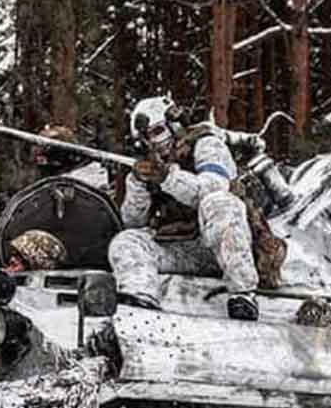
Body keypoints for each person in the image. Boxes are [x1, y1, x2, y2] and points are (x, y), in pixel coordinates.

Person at [106, 95, 262, 321]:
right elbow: (133, 222)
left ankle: (243, 294)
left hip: (226, 247)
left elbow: (214, 187)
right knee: (126, 240)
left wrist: (168, 178)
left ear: (175, 125)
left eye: (157, 132)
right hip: (185, 249)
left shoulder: (207, 144)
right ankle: (139, 300)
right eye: (146, 138)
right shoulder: (148, 166)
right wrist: (139, 183)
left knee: (219, 202)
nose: (155, 143)